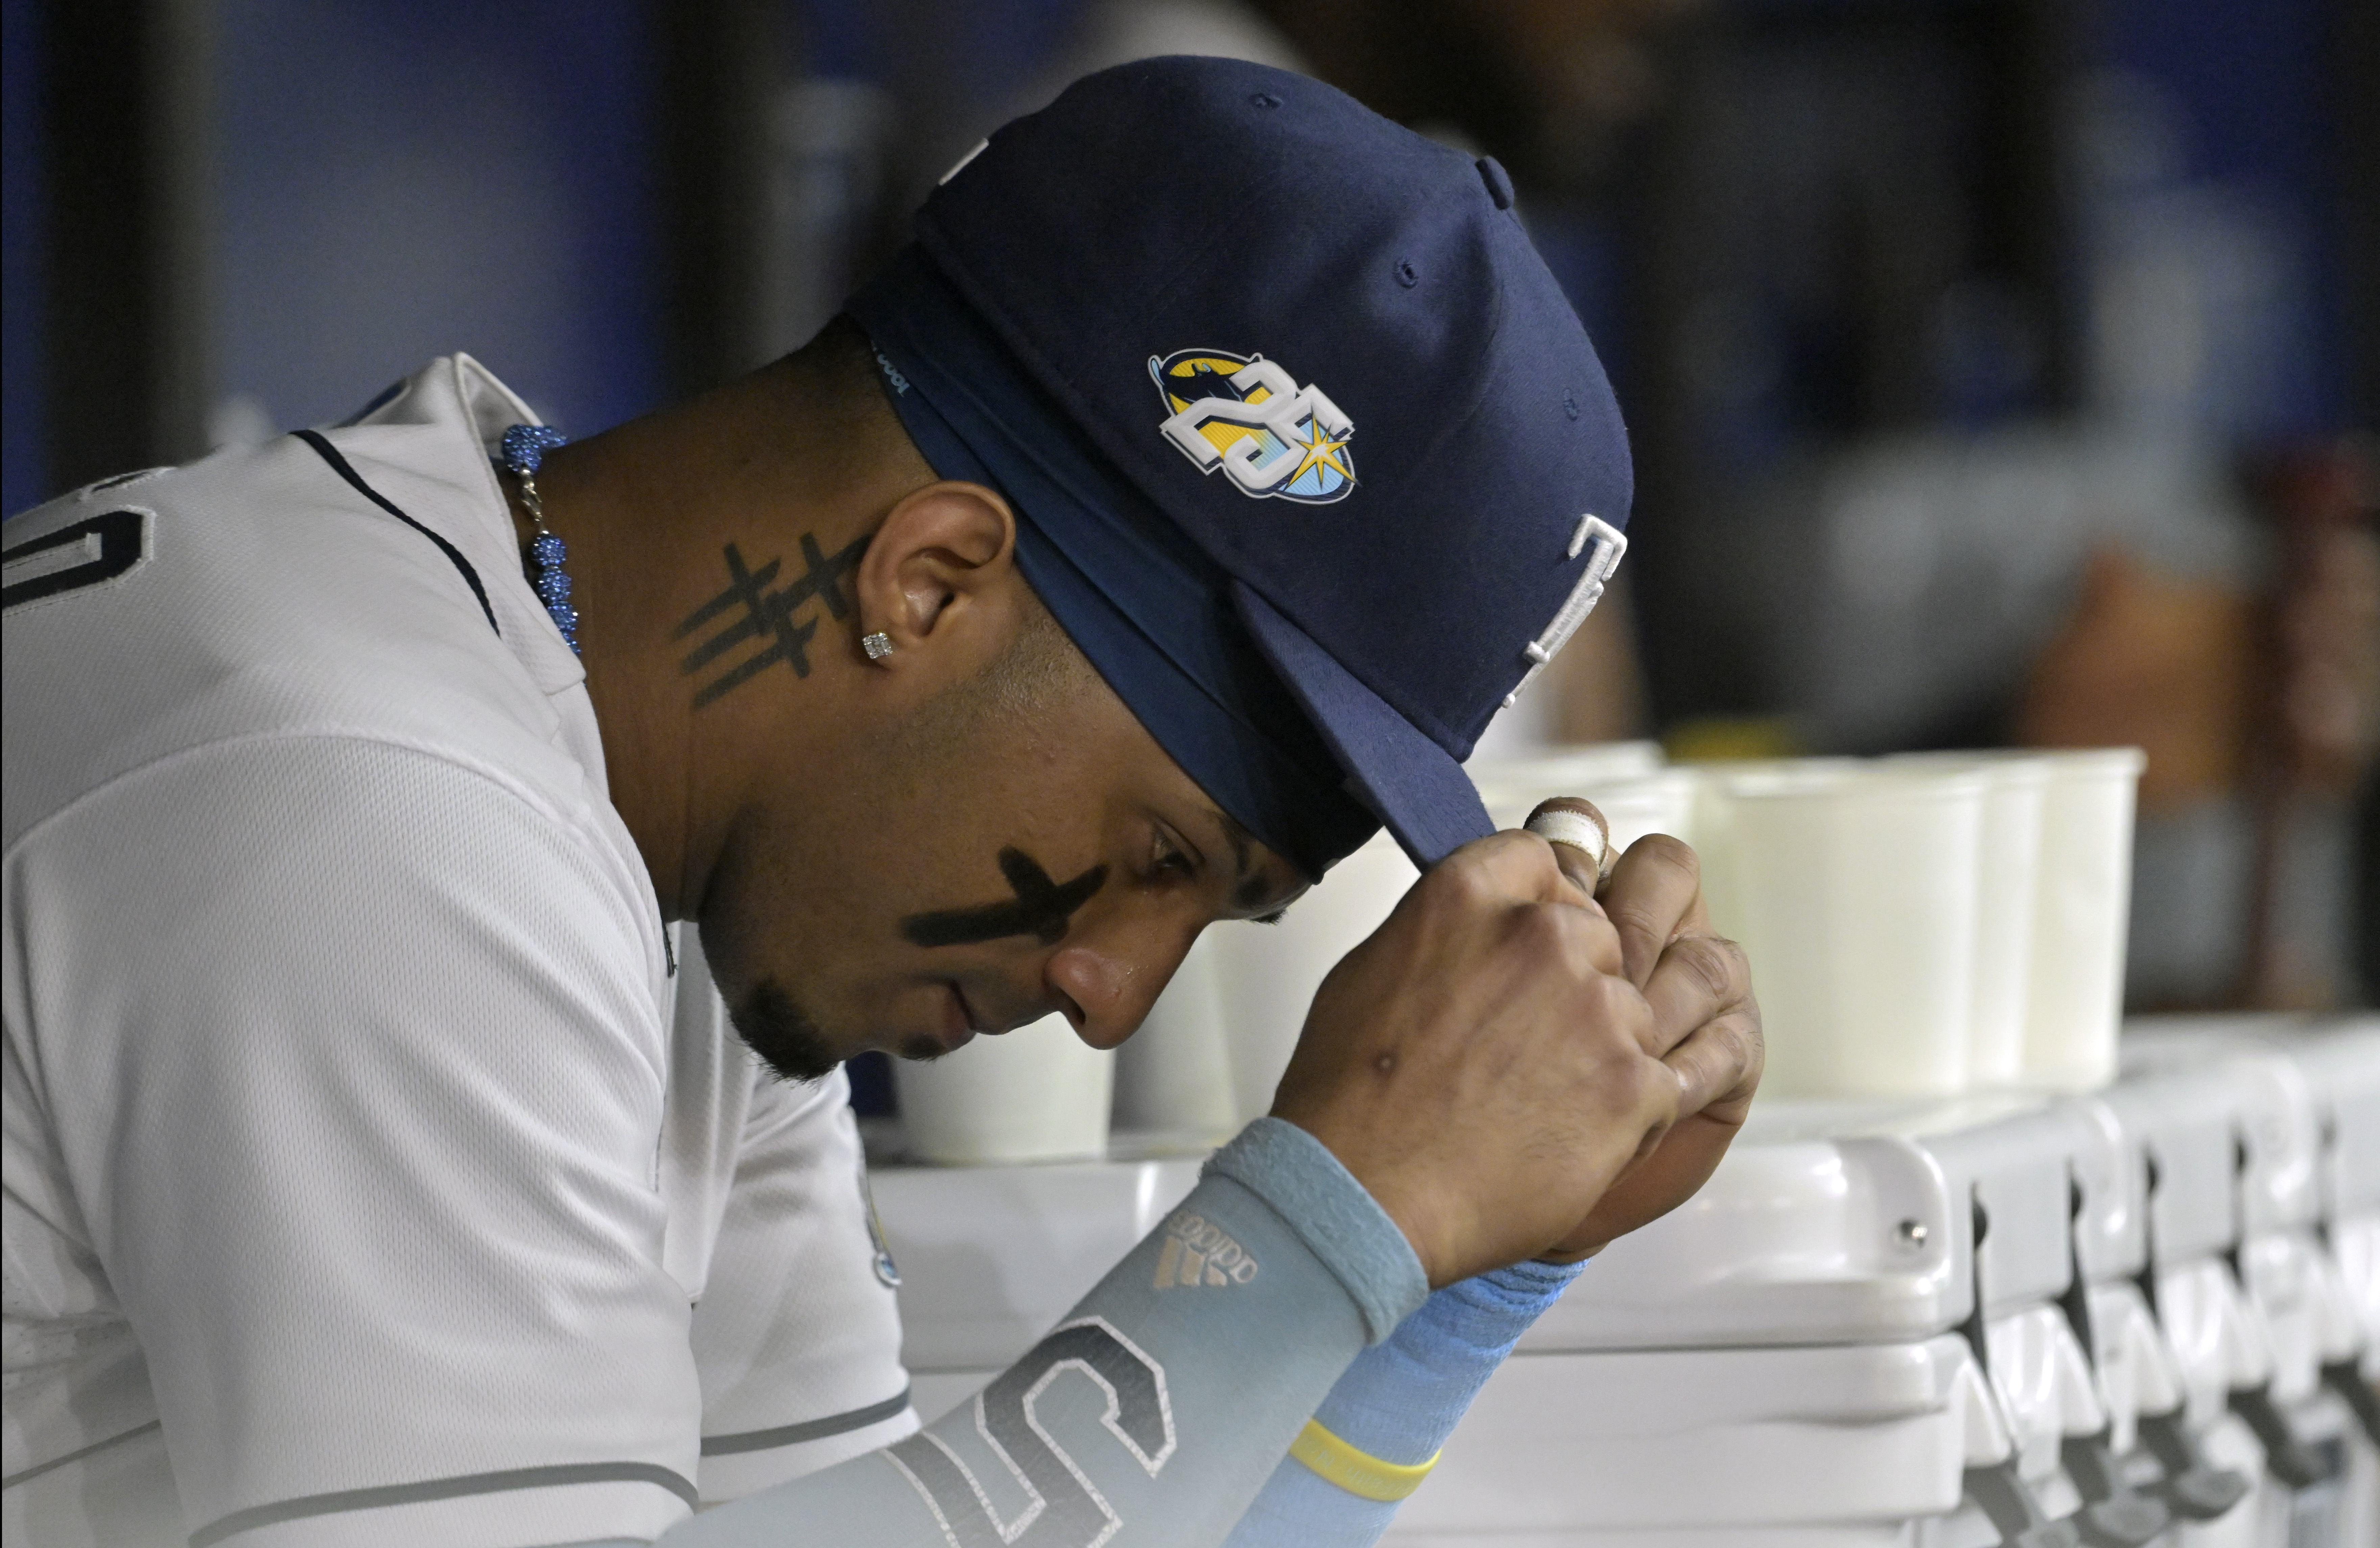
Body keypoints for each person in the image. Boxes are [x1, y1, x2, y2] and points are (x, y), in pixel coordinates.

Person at [1, 58, 1760, 1548]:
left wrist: (1440, 1286)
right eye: (1158, 858)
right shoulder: (370, 809)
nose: (1108, 989)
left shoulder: (643, 836)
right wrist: (1327, 1223)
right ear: (927, 584)